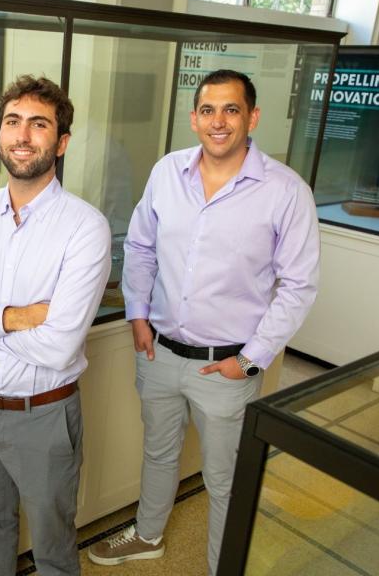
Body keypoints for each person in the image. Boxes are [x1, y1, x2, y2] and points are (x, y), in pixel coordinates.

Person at [88, 69, 319, 575]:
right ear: (193, 119)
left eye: (231, 110)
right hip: (159, 353)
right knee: (158, 453)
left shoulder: (285, 191)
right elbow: (142, 246)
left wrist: (250, 360)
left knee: (225, 479)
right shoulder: (167, 172)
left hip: (227, 368)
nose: (219, 122)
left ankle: (223, 567)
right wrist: (139, 316)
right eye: (209, 110)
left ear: (252, 117)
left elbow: (299, 286)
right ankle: (148, 535)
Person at [0, 75, 111, 576]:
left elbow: (58, 347)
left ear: (61, 142)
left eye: (39, 124)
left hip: (44, 418)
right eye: (13, 122)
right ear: (0, 134)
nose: (23, 135)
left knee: (53, 545)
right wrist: (17, 316)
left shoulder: (85, 228)